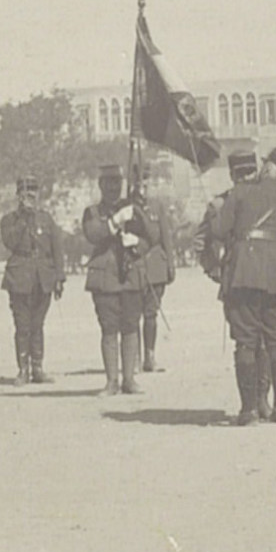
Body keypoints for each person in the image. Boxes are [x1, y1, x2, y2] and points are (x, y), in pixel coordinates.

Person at [211, 147, 276, 426]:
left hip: (243, 274)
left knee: (246, 342)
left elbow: (218, 232)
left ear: (266, 169)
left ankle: (249, 410)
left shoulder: (240, 193)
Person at [201, 150, 276, 419]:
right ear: (232, 176)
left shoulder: (269, 200)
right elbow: (203, 241)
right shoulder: (220, 204)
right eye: (240, 174)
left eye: (249, 173)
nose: (245, 178)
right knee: (245, 341)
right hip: (235, 280)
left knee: (267, 342)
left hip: (267, 279)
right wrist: (214, 270)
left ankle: (262, 399)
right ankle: (249, 406)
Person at [81, 165, 157, 396]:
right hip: (105, 278)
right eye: (108, 183)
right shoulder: (92, 211)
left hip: (131, 275)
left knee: (131, 326)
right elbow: (93, 233)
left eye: (117, 182)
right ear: (100, 185)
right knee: (109, 328)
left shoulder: (132, 208)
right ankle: (111, 381)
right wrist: (114, 223)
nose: (113, 187)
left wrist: (137, 243)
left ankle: (129, 379)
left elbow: (152, 236)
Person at [0, 176, 66, 386]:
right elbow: (9, 242)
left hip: (43, 278)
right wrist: (23, 219)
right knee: (22, 325)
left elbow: (57, 249)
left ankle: (38, 368)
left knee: (38, 324)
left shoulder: (46, 219)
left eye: (32, 194)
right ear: (18, 196)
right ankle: (23, 370)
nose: (29, 198)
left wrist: (59, 277)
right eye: (25, 194)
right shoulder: (9, 220)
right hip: (19, 278)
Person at [136, 177, 176, 373]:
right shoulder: (128, 207)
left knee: (150, 314)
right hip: (134, 266)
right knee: (132, 315)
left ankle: (149, 356)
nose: (142, 188)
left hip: (155, 266)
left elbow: (165, 236)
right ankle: (133, 357)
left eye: (145, 184)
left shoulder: (156, 206)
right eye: (137, 184)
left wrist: (170, 263)